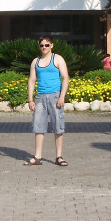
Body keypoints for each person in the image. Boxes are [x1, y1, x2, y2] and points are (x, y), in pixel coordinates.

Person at [25, 37, 70, 166]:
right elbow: (32, 80)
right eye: (41, 45)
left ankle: (59, 157)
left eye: (46, 45)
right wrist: (30, 99)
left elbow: (65, 78)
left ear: (51, 45)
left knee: (58, 126)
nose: (44, 47)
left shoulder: (58, 59)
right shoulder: (35, 61)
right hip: (40, 97)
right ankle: (37, 156)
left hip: (55, 96)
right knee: (38, 126)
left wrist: (62, 96)